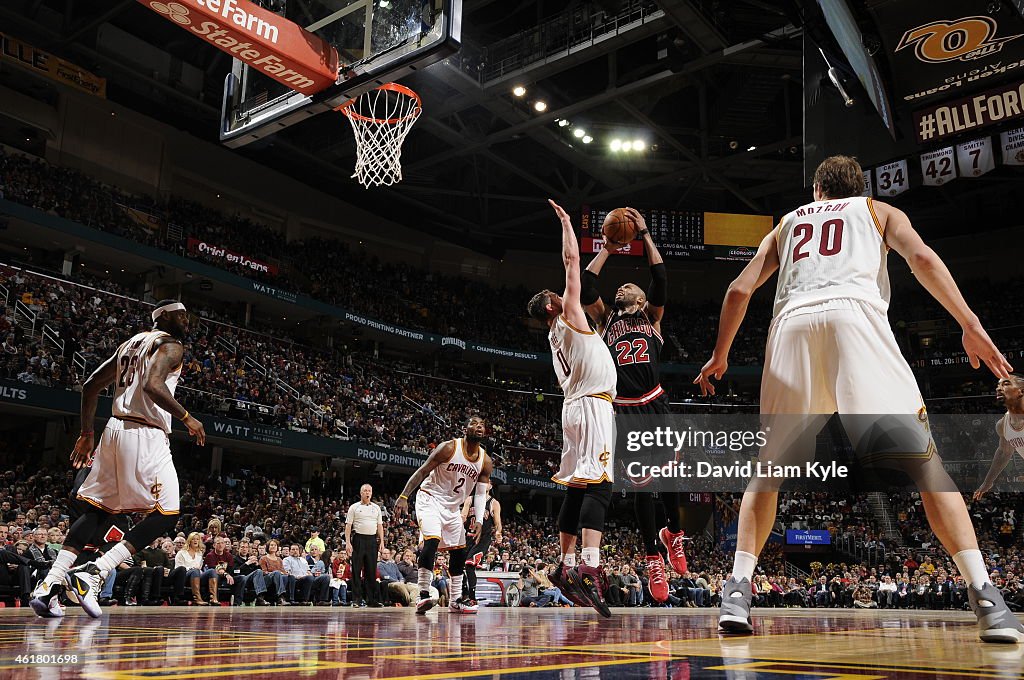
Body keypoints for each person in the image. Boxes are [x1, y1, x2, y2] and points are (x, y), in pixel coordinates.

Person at [695, 155, 1024, 643]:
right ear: (857, 188)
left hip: (792, 328)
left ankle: (738, 592)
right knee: (926, 467)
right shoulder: (878, 211)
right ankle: (986, 597)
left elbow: (739, 290)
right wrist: (969, 324)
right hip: (857, 322)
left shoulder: (786, 224)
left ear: (816, 192)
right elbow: (923, 260)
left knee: (768, 470)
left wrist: (720, 355)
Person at [30, 300, 206, 619]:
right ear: (163, 317)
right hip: (146, 433)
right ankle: (95, 571)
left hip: (114, 431)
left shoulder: (131, 344)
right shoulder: (171, 345)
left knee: (98, 511)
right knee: (168, 514)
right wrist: (188, 417)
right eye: (181, 314)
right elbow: (153, 386)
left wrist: (86, 432)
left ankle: (49, 584)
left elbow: (90, 385)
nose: (187, 320)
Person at [579, 207, 693, 604]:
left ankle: (673, 535)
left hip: (655, 403)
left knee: (671, 485)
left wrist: (644, 234)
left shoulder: (654, 317)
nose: (624, 286)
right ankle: (652, 556)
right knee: (643, 489)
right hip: (623, 409)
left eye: (632, 285)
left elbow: (661, 276)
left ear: (642, 299)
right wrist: (609, 248)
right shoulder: (605, 318)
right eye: (622, 285)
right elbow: (586, 283)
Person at [526, 200, 618, 618]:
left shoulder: (553, 338)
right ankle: (590, 567)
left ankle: (564, 567)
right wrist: (566, 224)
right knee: (600, 486)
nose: (561, 291)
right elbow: (570, 260)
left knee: (577, 487)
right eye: (554, 294)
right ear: (551, 307)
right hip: (593, 407)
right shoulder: (571, 315)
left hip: (573, 408)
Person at [395, 416, 494, 614]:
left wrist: (480, 519)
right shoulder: (449, 448)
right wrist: (404, 495)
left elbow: (481, 493)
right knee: (432, 540)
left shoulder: (485, 461)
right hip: (430, 498)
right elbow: (422, 471)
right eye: (474, 423)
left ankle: (456, 599)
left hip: (452, 508)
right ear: (465, 429)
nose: (479, 426)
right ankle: (423, 594)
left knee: (459, 551)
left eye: (482, 424)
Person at [974, 374, 1024, 499]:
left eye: (1006, 384)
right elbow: (1003, 453)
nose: (999, 388)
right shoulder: (1002, 425)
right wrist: (987, 482)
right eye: (998, 385)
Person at [460, 484, 502, 602]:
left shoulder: (493, 503)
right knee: (457, 566)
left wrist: (498, 533)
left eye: (486, 482)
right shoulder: (470, 499)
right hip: (468, 536)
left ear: (490, 486)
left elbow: (498, 522)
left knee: (469, 565)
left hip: (483, 538)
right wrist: (460, 518)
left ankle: (472, 597)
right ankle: (464, 592)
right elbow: (463, 515)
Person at [346, 484, 384, 608]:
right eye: (365, 491)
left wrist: (382, 542)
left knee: (371, 570)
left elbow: (380, 526)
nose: (367, 493)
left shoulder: (376, 508)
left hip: (372, 540)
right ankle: (356, 599)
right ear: (361, 493)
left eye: (369, 491)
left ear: (371, 493)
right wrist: (348, 542)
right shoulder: (354, 507)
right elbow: (348, 525)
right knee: (356, 570)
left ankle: (371, 599)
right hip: (358, 539)